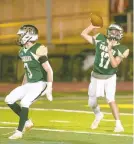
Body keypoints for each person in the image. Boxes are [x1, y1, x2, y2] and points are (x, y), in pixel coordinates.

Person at [5, 25, 53, 139]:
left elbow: (48, 69)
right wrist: (23, 86)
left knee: (24, 102)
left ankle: (19, 132)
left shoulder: (38, 49)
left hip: (40, 83)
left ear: (28, 35)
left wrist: (49, 87)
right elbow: (27, 70)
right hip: (29, 83)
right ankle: (27, 121)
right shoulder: (22, 51)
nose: (20, 37)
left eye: (21, 35)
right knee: (9, 99)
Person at [81, 23, 129, 132]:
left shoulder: (123, 49)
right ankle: (98, 115)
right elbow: (83, 34)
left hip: (109, 77)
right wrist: (92, 26)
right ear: (108, 32)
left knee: (111, 99)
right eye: (112, 31)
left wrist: (109, 50)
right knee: (92, 103)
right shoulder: (100, 38)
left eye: (116, 32)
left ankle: (118, 124)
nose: (114, 34)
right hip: (96, 76)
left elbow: (114, 65)